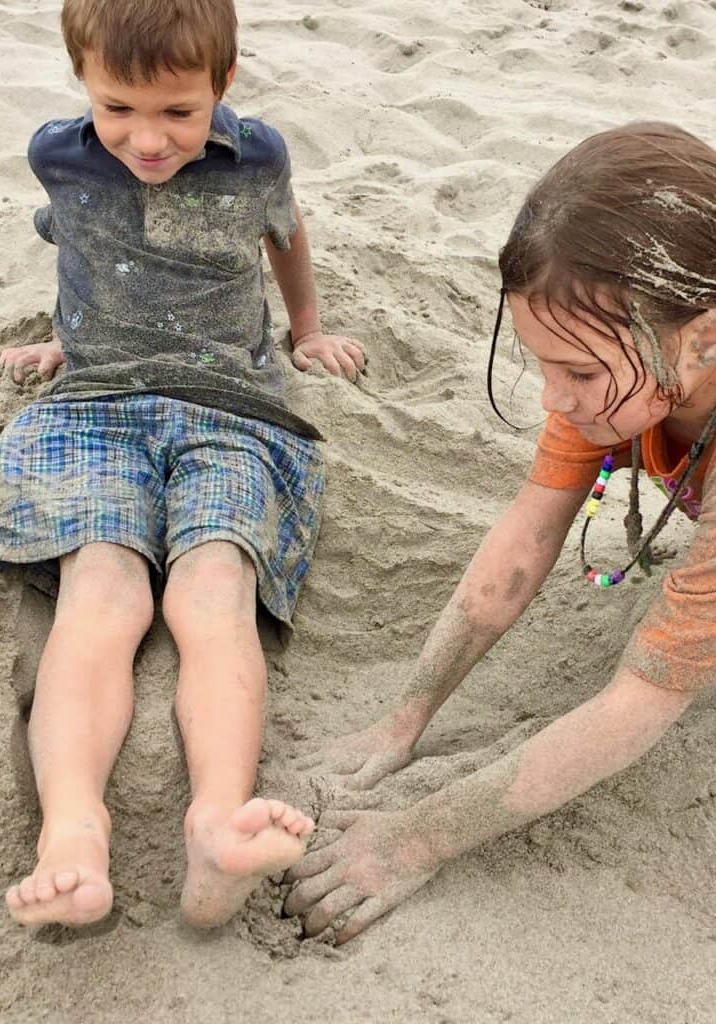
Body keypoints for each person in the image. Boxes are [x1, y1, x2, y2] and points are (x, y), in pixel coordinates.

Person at [285, 121, 716, 943]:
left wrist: (416, 839)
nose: (555, 399)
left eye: (579, 373)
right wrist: (402, 721)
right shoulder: (626, 369)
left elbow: (641, 701)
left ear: (701, 337)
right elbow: (524, 537)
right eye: (542, 363)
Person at [0, 0, 365, 929]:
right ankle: (72, 829)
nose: (145, 140)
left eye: (177, 113)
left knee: (212, 588)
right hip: (97, 403)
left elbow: (287, 234)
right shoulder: (59, 154)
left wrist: (307, 330)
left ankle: (218, 819)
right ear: (83, 83)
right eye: (117, 109)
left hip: (230, 406)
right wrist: (61, 340)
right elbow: (83, 243)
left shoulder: (259, 156)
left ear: (221, 88)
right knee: (102, 591)